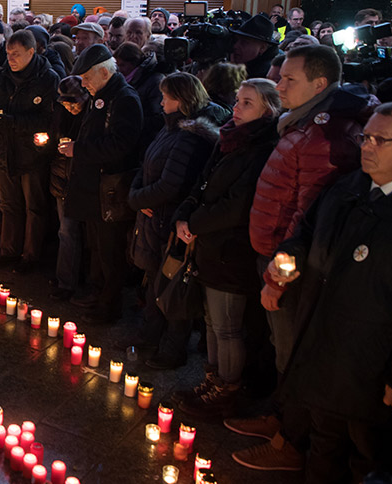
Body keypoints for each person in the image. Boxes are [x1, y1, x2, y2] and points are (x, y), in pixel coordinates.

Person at [274, 102, 392, 483]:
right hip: (326, 351)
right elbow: (308, 232)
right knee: (324, 446)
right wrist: (291, 257)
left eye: (381, 140)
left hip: (377, 372)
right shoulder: (349, 185)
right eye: (366, 137)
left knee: (371, 460)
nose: (367, 146)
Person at [231, 45, 372, 472]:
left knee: (292, 351)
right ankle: (282, 417)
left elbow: (307, 211)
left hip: (287, 261)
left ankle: (290, 441)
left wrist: (280, 271)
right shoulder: (305, 123)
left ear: (320, 84)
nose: (279, 84)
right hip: (272, 250)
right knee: (280, 346)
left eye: (289, 79)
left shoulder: (325, 136)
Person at [173, 78, 281, 417]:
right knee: (211, 319)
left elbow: (238, 204)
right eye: (237, 100)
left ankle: (227, 387)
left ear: (269, 110)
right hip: (209, 243)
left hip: (231, 248)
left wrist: (194, 223)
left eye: (247, 103)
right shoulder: (229, 139)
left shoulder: (262, 147)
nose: (236, 107)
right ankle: (213, 379)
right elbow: (202, 183)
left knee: (227, 324)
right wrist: (183, 214)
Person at [129, 73, 222, 369]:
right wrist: (136, 192)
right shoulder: (170, 128)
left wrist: (138, 199)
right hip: (155, 216)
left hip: (170, 222)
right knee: (156, 281)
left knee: (173, 287)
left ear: (181, 101)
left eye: (166, 97)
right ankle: (150, 335)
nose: (160, 102)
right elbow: (147, 165)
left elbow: (171, 185)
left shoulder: (189, 137)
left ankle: (173, 348)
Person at [61, 44, 144, 324]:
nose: (83, 84)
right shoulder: (103, 95)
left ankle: (109, 306)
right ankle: (98, 294)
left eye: (87, 78)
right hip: (94, 187)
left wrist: (79, 150)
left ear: (105, 72)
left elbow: (122, 145)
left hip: (110, 189)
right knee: (97, 247)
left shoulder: (124, 99)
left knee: (110, 251)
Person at [0, 30, 60, 272]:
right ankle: (8, 250)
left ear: (31, 52)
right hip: (5, 150)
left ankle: (30, 256)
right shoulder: (0, 76)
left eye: (16, 54)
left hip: (32, 154)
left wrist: (13, 121)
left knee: (34, 207)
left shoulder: (48, 79)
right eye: (8, 54)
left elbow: (50, 120)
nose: (11, 59)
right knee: (8, 204)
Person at [49, 76, 89, 300]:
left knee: (71, 231)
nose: (70, 107)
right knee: (65, 230)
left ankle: (69, 280)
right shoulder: (60, 116)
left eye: (74, 102)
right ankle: (65, 277)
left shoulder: (89, 117)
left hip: (78, 180)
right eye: (65, 103)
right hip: (61, 178)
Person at [229, 15, 280, 79]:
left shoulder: (267, 74)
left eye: (244, 43)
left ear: (262, 48)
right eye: (235, 40)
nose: (235, 46)